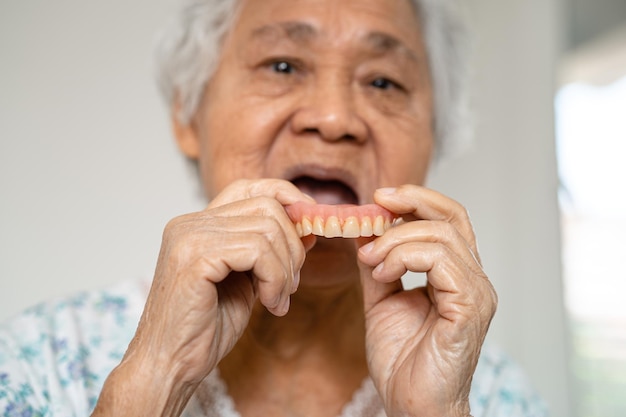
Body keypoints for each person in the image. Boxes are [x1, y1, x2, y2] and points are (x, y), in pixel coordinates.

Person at [0, 0, 546, 416]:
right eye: (283, 65)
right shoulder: (37, 358)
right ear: (189, 116)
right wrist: (152, 384)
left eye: (383, 81)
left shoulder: (498, 395)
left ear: (437, 136)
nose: (334, 119)